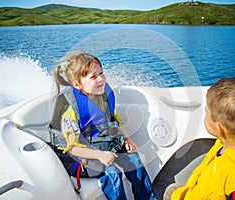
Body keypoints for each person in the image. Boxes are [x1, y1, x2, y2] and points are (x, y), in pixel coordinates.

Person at [49, 50, 156, 200]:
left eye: (101, 73)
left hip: (102, 143)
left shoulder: (102, 96)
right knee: (112, 173)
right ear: (77, 84)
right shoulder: (70, 110)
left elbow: (113, 120)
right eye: (93, 77)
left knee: (134, 160)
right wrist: (100, 155)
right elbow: (73, 148)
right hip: (78, 156)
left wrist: (127, 139)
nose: (101, 79)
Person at [163, 77, 235, 200]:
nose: (205, 115)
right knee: (172, 189)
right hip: (202, 189)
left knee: (170, 192)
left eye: (207, 113)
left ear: (220, 128)